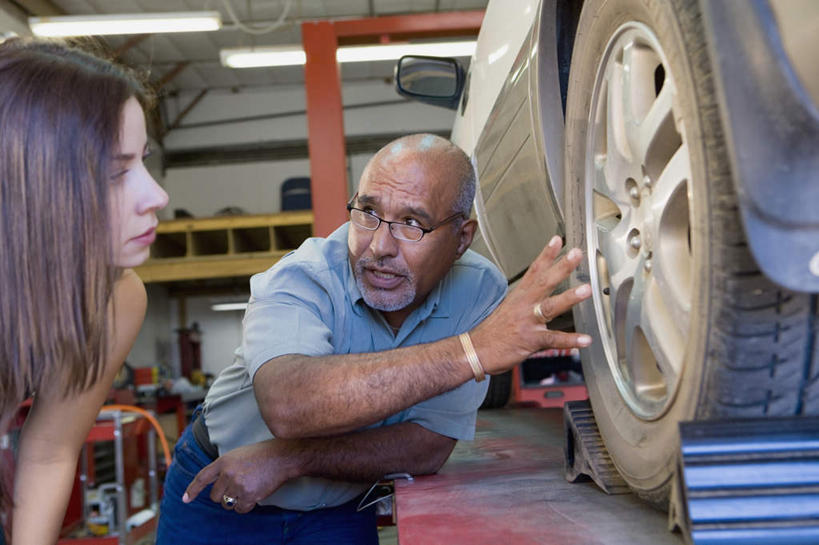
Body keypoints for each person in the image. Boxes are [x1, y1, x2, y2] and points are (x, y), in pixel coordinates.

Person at [156, 133, 592, 544]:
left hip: (339, 505)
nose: (379, 246)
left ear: (462, 238)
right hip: (220, 488)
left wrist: (291, 459)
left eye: (411, 223)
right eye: (367, 213)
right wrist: (472, 350)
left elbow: (427, 447)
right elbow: (289, 404)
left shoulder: (478, 291)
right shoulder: (302, 278)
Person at [0, 39, 168, 544]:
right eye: (116, 171)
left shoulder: (115, 297)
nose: (157, 195)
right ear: (32, 183)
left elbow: (48, 451)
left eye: (142, 160)